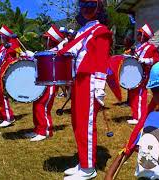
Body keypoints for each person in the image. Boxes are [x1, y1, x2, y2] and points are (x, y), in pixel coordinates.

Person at [61, 0, 112, 179]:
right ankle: (84, 160)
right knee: (78, 122)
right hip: (79, 80)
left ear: (99, 8)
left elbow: (101, 59)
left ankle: (88, 168)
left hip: (90, 80)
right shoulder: (83, 30)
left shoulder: (101, 31)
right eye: (83, 4)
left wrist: (99, 86)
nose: (85, 9)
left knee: (86, 124)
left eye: (90, 4)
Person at [24, 25, 65, 142]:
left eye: (46, 39)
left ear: (51, 40)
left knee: (43, 106)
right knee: (37, 105)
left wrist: (34, 56)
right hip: (43, 84)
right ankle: (37, 129)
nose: (44, 41)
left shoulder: (56, 52)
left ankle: (45, 131)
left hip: (50, 84)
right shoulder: (49, 51)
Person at [127, 24, 159, 125]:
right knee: (134, 94)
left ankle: (140, 117)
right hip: (136, 72)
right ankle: (135, 115)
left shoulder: (151, 47)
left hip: (143, 73)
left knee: (141, 94)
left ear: (144, 36)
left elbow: (156, 60)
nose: (137, 36)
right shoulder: (138, 47)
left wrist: (143, 60)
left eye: (139, 34)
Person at [0, 25, 22, 127]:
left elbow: (16, 55)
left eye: (1, 37)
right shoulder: (2, 47)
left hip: (5, 73)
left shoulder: (12, 44)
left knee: (2, 94)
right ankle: (2, 116)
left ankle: (8, 117)